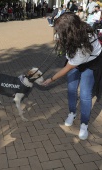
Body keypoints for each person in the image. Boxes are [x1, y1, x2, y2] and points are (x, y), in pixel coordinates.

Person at [42, 12, 102, 140]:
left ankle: (84, 124)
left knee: (85, 95)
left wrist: (51, 79)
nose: (58, 34)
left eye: (60, 31)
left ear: (70, 29)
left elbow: (68, 67)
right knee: (71, 89)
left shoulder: (87, 39)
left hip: (90, 64)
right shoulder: (72, 31)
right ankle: (72, 113)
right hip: (76, 60)